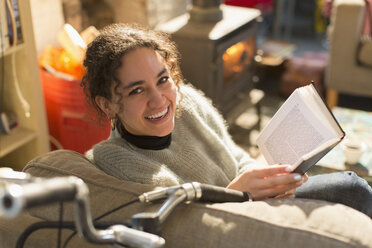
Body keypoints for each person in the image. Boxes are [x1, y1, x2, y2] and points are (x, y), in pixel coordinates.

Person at [83, 23, 372, 217]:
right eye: (136, 90)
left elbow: (234, 156)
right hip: (231, 221)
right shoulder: (114, 158)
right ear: (106, 104)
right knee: (351, 188)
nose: (159, 100)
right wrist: (240, 194)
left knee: (350, 185)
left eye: (162, 79)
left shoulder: (186, 101)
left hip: (252, 201)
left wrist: (271, 181)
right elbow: (185, 224)